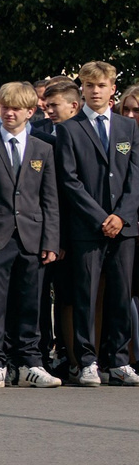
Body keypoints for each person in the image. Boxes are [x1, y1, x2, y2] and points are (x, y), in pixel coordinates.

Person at [49, 61, 139, 386]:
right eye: (90, 86)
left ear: (113, 88)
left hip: (124, 227)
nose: (96, 91)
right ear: (82, 89)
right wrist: (101, 217)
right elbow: (69, 181)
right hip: (88, 228)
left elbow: (134, 177)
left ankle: (117, 359)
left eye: (101, 85)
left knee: (120, 294)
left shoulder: (128, 129)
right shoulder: (69, 129)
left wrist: (122, 215)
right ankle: (87, 360)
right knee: (86, 296)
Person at [0, 80, 61, 389]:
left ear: (30, 112)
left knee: (32, 303)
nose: (9, 113)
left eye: (16, 109)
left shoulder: (43, 148)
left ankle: (30, 362)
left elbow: (50, 200)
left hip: (32, 238)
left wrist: (51, 241)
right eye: (5, 107)